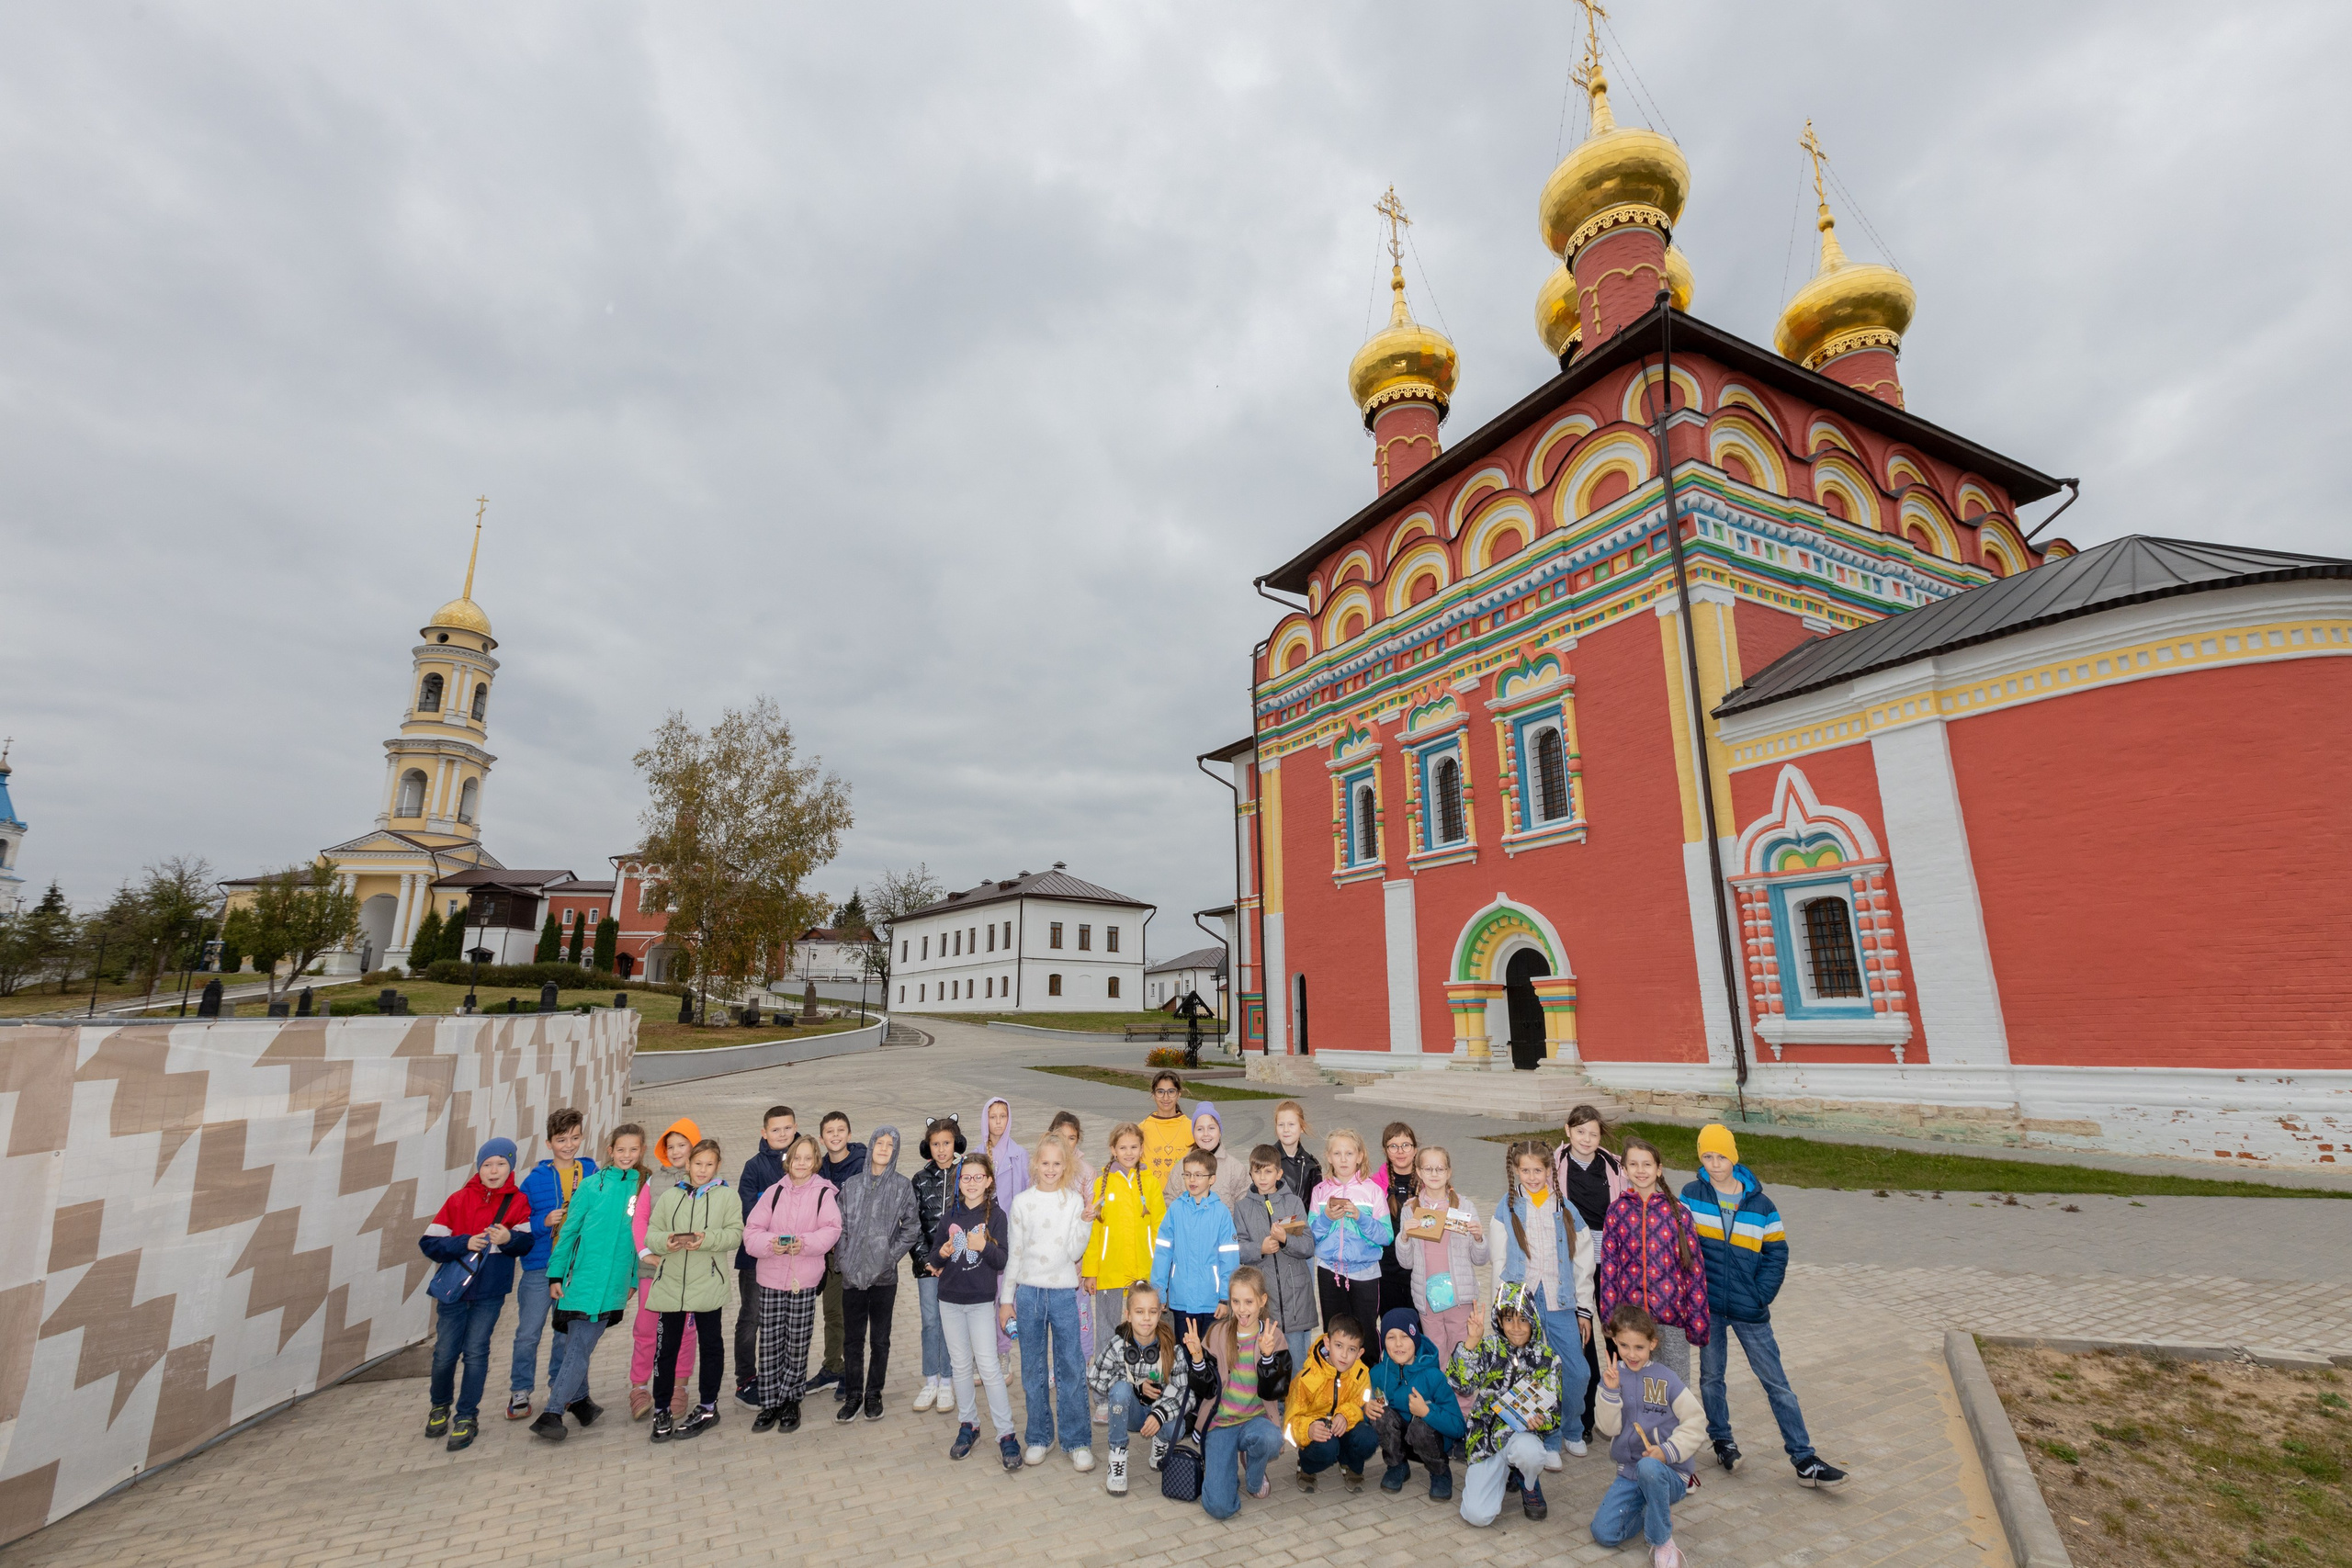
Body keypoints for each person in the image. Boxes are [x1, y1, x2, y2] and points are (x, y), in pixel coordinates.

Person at [1680, 1123, 1848, 1489]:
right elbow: (1681, 1244)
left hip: (1749, 1308)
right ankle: (1722, 1439)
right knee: (1711, 1378)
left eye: (1720, 1156)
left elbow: (1777, 1252)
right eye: (1707, 1156)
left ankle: (1804, 1458)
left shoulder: (1761, 1204)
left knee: (1777, 1383)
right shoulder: (1691, 1195)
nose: (1714, 1163)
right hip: (1708, 1306)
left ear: (1734, 1156)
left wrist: (1761, 1294)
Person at [419, 1137, 536, 1451]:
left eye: (501, 1164)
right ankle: (439, 1405)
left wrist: (509, 1238)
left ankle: (467, 1416)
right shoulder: (458, 1200)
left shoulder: (518, 1202)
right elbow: (428, 1243)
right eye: (487, 1164)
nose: (493, 1170)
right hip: (453, 1293)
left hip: (489, 1293)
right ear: (478, 1168)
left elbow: (526, 1244)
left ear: (510, 1168)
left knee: (476, 1352)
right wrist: (463, 1242)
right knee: (445, 1353)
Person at [534, 1124, 648, 1440]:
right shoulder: (590, 1186)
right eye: (621, 1149)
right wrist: (555, 1274)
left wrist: (634, 1278)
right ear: (610, 1151)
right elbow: (568, 1232)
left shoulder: (643, 1187)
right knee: (579, 1347)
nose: (627, 1155)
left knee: (578, 1345)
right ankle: (552, 1412)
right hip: (581, 1280)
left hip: (614, 1284)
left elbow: (641, 1237)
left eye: (633, 1150)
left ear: (641, 1151)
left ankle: (581, 1403)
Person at [1492, 1138, 1595, 1467]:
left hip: (1559, 1300)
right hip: (1523, 1304)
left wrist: (1584, 1308)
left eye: (1539, 1170)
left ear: (1551, 1170)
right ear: (1516, 1171)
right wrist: (1500, 1308)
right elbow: (1498, 1260)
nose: (1532, 1176)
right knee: (1536, 1373)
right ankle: (1548, 1439)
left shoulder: (1565, 1207)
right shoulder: (1506, 1207)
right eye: (1525, 1170)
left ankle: (1571, 1429)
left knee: (1578, 1371)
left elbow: (1583, 1260)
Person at [1001, 1134, 1093, 1469]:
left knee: (1071, 1366)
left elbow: (1074, 1252)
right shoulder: (1023, 1202)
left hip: (1064, 1295)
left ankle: (1078, 1440)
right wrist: (1006, 1299)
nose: (1050, 1169)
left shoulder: (1072, 1202)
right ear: (1035, 1165)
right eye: (1045, 1163)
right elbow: (1016, 1253)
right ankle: (1039, 1436)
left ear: (1066, 1166)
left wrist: (1084, 1224)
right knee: (1034, 1370)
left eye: (1057, 1163)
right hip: (1028, 1294)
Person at [1591, 1303, 1707, 1568]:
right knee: (1603, 1534)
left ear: (1653, 1343)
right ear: (1614, 1342)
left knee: (1650, 1467)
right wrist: (1610, 1392)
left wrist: (1666, 1451)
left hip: (1668, 1473)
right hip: (1629, 1473)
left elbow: (1696, 1420)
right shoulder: (1612, 1377)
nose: (1631, 1354)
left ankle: (1662, 1540)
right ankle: (1653, 1510)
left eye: (1639, 1347)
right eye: (1623, 1346)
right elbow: (1607, 1430)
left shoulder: (1665, 1378)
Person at [741, 1132, 840, 1435]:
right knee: (770, 1342)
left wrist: (805, 1243)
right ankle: (770, 1402)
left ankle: (790, 1400)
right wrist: (772, 1244)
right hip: (770, 1278)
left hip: (803, 1280)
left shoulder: (824, 1193)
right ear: (789, 1160)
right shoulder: (774, 1192)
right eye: (797, 1157)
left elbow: (832, 1229)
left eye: (808, 1158)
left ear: (816, 1162)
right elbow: (752, 1232)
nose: (802, 1163)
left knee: (797, 1342)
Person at [644, 1136, 743, 1441]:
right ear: (687, 1164)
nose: (702, 1170)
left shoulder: (727, 1196)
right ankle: (661, 1408)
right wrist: (667, 1242)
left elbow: (735, 1235)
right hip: (670, 1284)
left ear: (718, 1165)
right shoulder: (671, 1197)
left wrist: (707, 1239)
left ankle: (708, 1406)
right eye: (697, 1164)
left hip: (708, 1284)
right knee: (665, 1351)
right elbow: (652, 1233)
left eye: (709, 1164)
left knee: (711, 1347)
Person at [1181, 1266, 1292, 1520]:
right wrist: (1198, 1358)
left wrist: (1267, 1357)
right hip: (1221, 1424)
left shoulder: (1275, 1337)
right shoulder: (1217, 1333)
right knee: (1219, 1508)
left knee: (1271, 1439)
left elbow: (1278, 1390)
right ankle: (1225, 1463)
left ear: (1262, 1301)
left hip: (1256, 1421)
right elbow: (1205, 1389)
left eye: (1249, 1301)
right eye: (1236, 1301)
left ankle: (1253, 1477)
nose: (1242, 1309)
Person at [934, 1150, 1023, 1472]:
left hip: (982, 1302)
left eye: (978, 1177)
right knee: (960, 1367)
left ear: (988, 1181)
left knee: (988, 1368)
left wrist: (983, 1245)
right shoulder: (949, 1216)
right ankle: (968, 1424)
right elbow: (933, 1258)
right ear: (960, 1182)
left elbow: (1003, 1261)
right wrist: (942, 1254)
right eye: (966, 1177)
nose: (972, 1183)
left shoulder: (996, 1216)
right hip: (949, 1301)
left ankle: (1006, 1433)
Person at [1596, 1137, 1709, 1384]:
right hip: (1631, 1321)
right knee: (1636, 1387)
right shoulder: (1617, 1211)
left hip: (1671, 1319)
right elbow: (1609, 1269)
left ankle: (1677, 1425)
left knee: (1675, 1386)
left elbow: (1695, 1270)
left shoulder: (1678, 1212)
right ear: (1624, 1170)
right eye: (1633, 1164)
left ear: (1659, 1169)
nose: (1640, 1170)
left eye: (1647, 1164)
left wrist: (1697, 1320)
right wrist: (1609, 1318)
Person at [508, 1109, 594, 1420]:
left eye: (574, 1138)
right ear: (548, 1143)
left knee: (564, 1333)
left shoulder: (590, 1171)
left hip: (575, 1267)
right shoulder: (534, 1180)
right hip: (539, 1267)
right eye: (561, 1140)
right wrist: (543, 1222)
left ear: (581, 1137)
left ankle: (561, 1385)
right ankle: (520, 1389)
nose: (568, 1145)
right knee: (528, 1333)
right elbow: (518, 1223)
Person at [1453, 1283, 1560, 1527]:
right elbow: (1462, 1384)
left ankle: (1527, 1480)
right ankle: (1503, 1474)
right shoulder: (1489, 1348)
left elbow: (1554, 1411)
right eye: (1508, 1319)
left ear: (1533, 1319)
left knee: (1530, 1454)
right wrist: (1471, 1342)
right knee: (1477, 1516)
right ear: (1499, 1321)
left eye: (1523, 1319)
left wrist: (1541, 1422)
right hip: (1486, 1436)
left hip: (1522, 1435)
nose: (1516, 1328)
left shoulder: (1547, 1358)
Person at [835, 1123, 921, 1424]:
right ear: (871, 1146)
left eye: (890, 1145)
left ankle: (874, 1393)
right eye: (879, 1143)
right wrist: (844, 1260)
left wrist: (889, 1256)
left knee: (880, 1340)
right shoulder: (852, 1185)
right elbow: (839, 1227)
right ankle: (853, 1395)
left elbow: (911, 1227)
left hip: (884, 1278)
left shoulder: (901, 1186)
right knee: (852, 1340)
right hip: (852, 1277)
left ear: (895, 1151)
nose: (884, 1149)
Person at [1555, 1104, 1624, 1441]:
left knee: (1613, 1330)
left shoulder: (1614, 1166)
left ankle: (1616, 1404)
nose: (1586, 1138)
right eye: (1580, 1131)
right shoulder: (1554, 1165)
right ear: (1567, 1130)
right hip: (1572, 1262)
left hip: (1610, 1261)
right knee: (1580, 1333)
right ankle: (1584, 1413)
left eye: (1593, 1133)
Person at [628, 1117, 701, 1417]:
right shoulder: (652, 1181)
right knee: (646, 1329)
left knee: (685, 1331)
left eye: (682, 1145)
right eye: (670, 1146)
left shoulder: (704, 1180)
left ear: (694, 1146)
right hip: (654, 1270)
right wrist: (646, 1253)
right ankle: (639, 1388)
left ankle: (679, 1387)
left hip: (690, 1272)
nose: (675, 1151)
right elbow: (640, 1220)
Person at [1083, 1281, 1185, 1495]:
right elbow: (1095, 1377)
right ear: (1128, 1315)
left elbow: (1185, 1392)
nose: (1146, 1318)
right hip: (1132, 1415)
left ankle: (1161, 1441)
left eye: (1152, 1312)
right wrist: (1135, 1387)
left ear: (1160, 1313)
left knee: (1179, 1425)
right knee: (1120, 1390)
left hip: (1159, 1415)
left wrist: (1160, 1413)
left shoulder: (1171, 1347)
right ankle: (1118, 1457)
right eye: (1140, 1312)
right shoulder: (1118, 1345)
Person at [1080, 1122, 1162, 1376]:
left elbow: (1160, 1228)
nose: (1129, 1152)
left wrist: (1161, 1267)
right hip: (1110, 1272)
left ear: (1141, 1149)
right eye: (1123, 1147)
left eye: (1134, 1147)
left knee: (1144, 1327)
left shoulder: (1150, 1182)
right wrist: (1090, 1271)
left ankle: (1144, 1382)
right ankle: (1104, 1388)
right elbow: (1095, 1232)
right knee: (1107, 1329)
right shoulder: (1102, 1184)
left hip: (1144, 1272)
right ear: (1113, 1149)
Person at [1396, 1144, 1486, 1372]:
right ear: (1418, 1172)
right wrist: (1404, 1237)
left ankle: (1463, 1407)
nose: (1434, 1174)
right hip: (1428, 1299)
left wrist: (1479, 1238)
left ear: (1449, 1172)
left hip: (1459, 1298)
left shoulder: (1464, 1206)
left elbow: (1481, 1259)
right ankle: (1439, 1404)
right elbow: (1406, 1263)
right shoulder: (1411, 1209)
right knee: (1436, 1358)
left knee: (1463, 1356)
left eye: (1440, 1169)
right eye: (1428, 1169)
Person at [730, 1105, 797, 1408]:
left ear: (795, 1128)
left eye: (787, 1128)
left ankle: (780, 1375)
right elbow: (750, 1211)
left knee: (784, 1319)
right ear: (764, 1132)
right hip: (756, 1258)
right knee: (752, 1317)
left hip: (793, 1258)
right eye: (775, 1129)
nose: (782, 1134)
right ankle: (746, 1379)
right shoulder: (753, 1167)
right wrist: (779, 1235)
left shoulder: (805, 1161)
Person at [1231, 1145, 1316, 1371]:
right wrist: (1260, 1248)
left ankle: (1296, 1405)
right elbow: (1237, 1248)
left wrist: (1286, 1240)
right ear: (1251, 1173)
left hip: (1295, 1298)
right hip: (1264, 1299)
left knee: (1296, 1363)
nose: (1262, 1177)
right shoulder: (1242, 1208)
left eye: (1268, 1171)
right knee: (1268, 1364)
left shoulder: (1293, 1202)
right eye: (1257, 1171)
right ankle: (1270, 1405)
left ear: (1279, 1174)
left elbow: (1308, 1246)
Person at [1367, 1305, 1465, 1499]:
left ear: (1416, 1338)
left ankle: (1439, 1472)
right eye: (1391, 1337)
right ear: (1384, 1342)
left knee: (1421, 1425)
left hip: (1431, 1443)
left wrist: (1428, 1412)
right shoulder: (1378, 1373)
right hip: (1401, 1443)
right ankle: (1397, 1466)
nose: (1398, 1344)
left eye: (1405, 1336)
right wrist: (1367, 1409)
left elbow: (1458, 1427)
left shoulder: (1433, 1376)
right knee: (1381, 1414)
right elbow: (1372, 1408)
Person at [1151, 1149, 1241, 1343]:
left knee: (1212, 1356)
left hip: (1213, 1303)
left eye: (1199, 1175)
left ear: (1212, 1179)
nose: (1192, 1180)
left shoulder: (1222, 1213)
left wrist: (1225, 1298)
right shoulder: (1175, 1209)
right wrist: (1159, 1292)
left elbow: (1230, 1260)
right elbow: (1162, 1253)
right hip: (1181, 1300)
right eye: (1188, 1174)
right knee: (1185, 1354)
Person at [1308, 1129, 1389, 1334]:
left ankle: (1368, 1366)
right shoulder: (1320, 1191)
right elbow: (1310, 1237)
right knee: (1334, 1333)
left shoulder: (1373, 1191)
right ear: (1328, 1157)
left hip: (1365, 1274)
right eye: (1337, 1153)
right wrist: (1326, 1218)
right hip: (1329, 1272)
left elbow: (1386, 1236)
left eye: (1349, 1154)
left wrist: (1361, 1218)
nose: (1343, 1159)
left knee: (1366, 1334)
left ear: (1360, 1156)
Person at [811, 1111, 867, 1397]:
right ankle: (834, 1367)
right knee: (832, 1310)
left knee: (853, 1314)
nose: (835, 1135)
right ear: (822, 1138)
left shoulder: (861, 1165)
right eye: (829, 1132)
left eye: (840, 1130)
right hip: (830, 1254)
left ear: (849, 1133)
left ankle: (852, 1374)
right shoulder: (818, 1168)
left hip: (854, 1251)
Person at [1283, 1315, 1374, 1493]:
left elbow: (1362, 1405)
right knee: (1327, 1447)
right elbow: (1289, 1423)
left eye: (1352, 1349)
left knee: (1368, 1437)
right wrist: (1308, 1429)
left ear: (1359, 1354)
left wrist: (1345, 1415)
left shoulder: (1361, 1374)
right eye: (1338, 1346)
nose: (1344, 1355)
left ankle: (1351, 1465)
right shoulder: (1306, 1378)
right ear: (1327, 1342)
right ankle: (1306, 1467)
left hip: (1344, 1428)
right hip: (1319, 1435)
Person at [910, 1117, 962, 1414]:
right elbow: (912, 1224)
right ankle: (931, 1379)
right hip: (927, 1267)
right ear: (927, 1147)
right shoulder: (919, 1179)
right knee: (930, 1322)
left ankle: (948, 1381)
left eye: (946, 1143)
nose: (941, 1150)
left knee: (950, 1324)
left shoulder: (965, 1174)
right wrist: (928, 1261)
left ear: (956, 1144)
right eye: (935, 1144)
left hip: (957, 1267)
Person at [1160, 1103, 1249, 1210]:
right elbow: (1168, 1202)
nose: (1206, 1134)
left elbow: (1246, 1208)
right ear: (1193, 1133)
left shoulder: (1235, 1169)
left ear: (1220, 1132)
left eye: (1211, 1128)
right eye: (1200, 1129)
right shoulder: (1180, 1167)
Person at [1374, 1122, 1420, 1320]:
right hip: (1386, 1273)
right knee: (1391, 1330)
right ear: (1385, 1150)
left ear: (1415, 1149)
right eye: (1393, 1146)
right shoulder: (1375, 1185)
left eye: (1406, 1145)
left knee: (1420, 1332)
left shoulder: (1429, 1181)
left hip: (1419, 1273)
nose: (1400, 1151)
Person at [1137, 1071, 1193, 1191]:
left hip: (1182, 1200)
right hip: (1151, 1200)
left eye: (1171, 1092)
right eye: (1160, 1092)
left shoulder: (1191, 1127)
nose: (1166, 1098)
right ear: (1153, 1095)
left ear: (1179, 1094)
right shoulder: (1142, 1129)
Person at [1272, 1100, 1321, 1201]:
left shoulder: (1311, 1165)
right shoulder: (1266, 1159)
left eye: (1291, 1124)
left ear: (1302, 1127)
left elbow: (1316, 1206)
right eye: (1281, 1125)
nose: (1286, 1129)